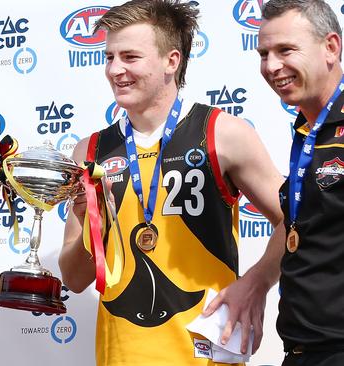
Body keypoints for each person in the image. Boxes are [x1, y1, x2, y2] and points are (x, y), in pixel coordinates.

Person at [58, 0, 285, 364]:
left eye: (130, 57)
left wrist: (257, 283)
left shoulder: (222, 133)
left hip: (207, 355)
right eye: (109, 57)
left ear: (171, 61)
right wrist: (90, 223)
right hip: (121, 356)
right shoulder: (91, 150)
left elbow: (295, 217)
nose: (115, 70)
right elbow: (74, 278)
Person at [250, 0, 344, 364]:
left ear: (331, 48)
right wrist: (255, 282)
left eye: (286, 50)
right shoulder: (308, 131)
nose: (272, 66)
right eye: (264, 53)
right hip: (302, 351)